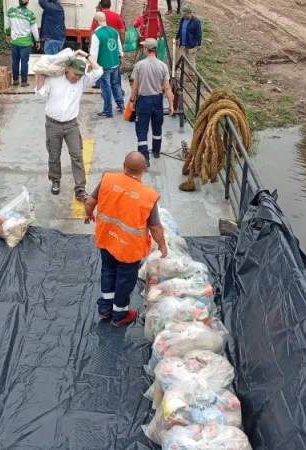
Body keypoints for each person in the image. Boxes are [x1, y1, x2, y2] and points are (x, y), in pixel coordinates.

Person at [83, 152, 168, 327]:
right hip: (129, 248)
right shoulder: (147, 196)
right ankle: (119, 314)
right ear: (144, 168)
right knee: (125, 279)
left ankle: (105, 308)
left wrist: (88, 214)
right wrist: (162, 245)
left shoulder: (108, 180)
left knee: (108, 271)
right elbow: (155, 227)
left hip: (107, 238)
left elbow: (90, 201)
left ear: (124, 165)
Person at [35, 51, 103, 200]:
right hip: (53, 124)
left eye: (80, 75)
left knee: (77, 156)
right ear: (67, 69)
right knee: (54, 156)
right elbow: (40, 96)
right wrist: (41, 75)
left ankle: (80, 189)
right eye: (75, 74)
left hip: (72, 125)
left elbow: (98, 71)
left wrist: (86, 56)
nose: (77, 78)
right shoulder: (53, 80)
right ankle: (55, 180)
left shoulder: (81, 82)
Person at [130, 38, 174, 167]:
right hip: (157, 100)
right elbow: (167, 87)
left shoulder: (140, 65)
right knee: (157, 127)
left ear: (145, 49)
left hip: (143, 100)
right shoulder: (162, 66)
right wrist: (171, 104)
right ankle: (156, 150)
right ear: (155, 50)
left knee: (142, 130)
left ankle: (144, 158)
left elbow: (134, 87)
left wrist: (133, 100)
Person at [90, 12, 124, 118]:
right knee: (116, 84)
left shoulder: (97, 35)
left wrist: (92, 65)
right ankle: (120, 104)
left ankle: (108, 110)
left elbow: (94, 53)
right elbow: (119, 47)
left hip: (104, 65)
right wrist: (120, 56)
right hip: (115, 63)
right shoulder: (114, 31)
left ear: (96, 22)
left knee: (106, 88)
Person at [5, 0, 40, 87]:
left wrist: (7, 35)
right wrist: (37, 40)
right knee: (24, 62)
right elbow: (34, 30)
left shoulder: (11, 11)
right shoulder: (30, 14)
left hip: (15, 41)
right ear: (27, 3)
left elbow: (7, 24)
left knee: (15, 61)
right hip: (25, 43)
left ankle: (15, 80)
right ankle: (24, 81)